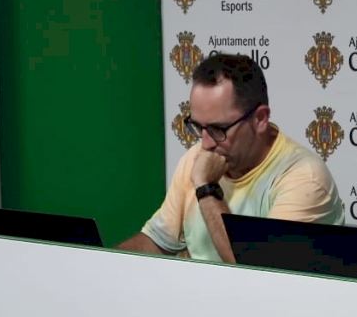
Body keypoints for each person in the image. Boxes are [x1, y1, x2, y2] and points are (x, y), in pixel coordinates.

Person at [119, 54, 344, 261]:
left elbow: (258, 274)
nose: (205, 143)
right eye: (198, 127)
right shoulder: (195, 159)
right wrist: (105, 264)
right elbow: (157, 243)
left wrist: (207, 188)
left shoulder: (305, 178)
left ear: (260, 119)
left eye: (218, 129)